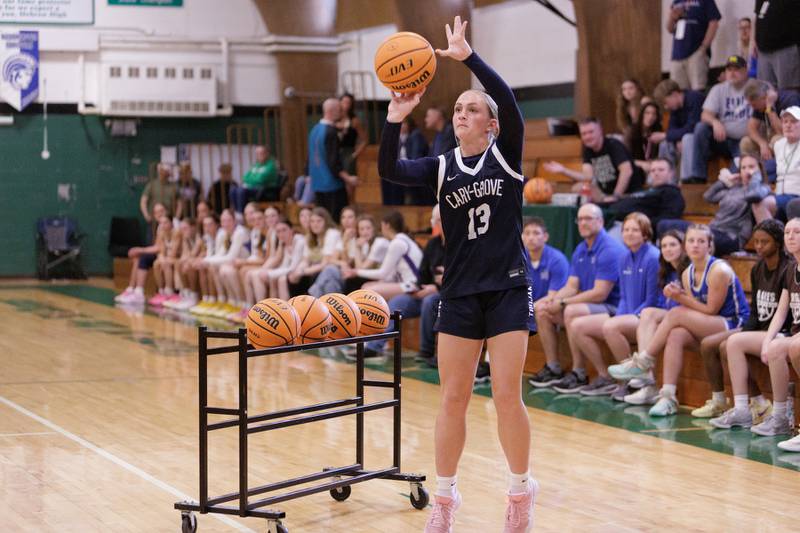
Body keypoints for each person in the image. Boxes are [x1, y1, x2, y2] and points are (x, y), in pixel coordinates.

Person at [377, 16, 538, 530]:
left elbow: (508, 101)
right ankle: (444, 500)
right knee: (452, 397)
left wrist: (469, 58)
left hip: (508, 286)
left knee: (507, 395)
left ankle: (520, 491)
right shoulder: (443, 166)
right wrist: (394, 118)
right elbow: (389, 170)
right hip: (461, 291)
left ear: (491, 124)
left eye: (472, 109)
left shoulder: (505, 155)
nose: (462, 114)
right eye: (457, 109)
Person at [609, 224, 749, 417]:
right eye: (691, 241)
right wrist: (681, 298)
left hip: (733, 323)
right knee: (676, 334)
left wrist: (679, 297)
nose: (695, 245)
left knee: (676, 314)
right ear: (685, 246)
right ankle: (667, 397)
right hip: (711, 323)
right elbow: (694, 308)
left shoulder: (719, 270)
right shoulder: (687, 273)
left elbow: (711, 310)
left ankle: (643, 361)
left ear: (709, 246)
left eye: (701, 241)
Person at [529, 204, 626, 391]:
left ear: (600, 221)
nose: (583, 223)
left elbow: (600, 294)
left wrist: (563, 302)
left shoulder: (609, 249)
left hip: (614, 307)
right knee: (542, 310)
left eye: (588, 218)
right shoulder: (581, 248)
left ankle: (581, 372)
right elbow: (572, 286)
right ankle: (553, 367)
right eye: (579, 219)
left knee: (571, 311)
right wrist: (552, 300)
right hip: (590, 306)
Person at [562, 213, 661, 396]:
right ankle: (605, 377)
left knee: (611, 326)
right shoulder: (624, 257)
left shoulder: (653, 257)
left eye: (635, 230)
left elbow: (651, 300)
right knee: (577, 325)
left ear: (645, 233)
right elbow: (623, 296)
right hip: (628, 315)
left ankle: (631, 381)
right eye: (626, 230)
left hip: (647, 317)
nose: (629, 233)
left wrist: (623, 318)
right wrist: (620, 316)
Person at [707, 219, 789, 428]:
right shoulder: (757, 268)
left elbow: (786, 313)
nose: (759, 246)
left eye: (765, 242)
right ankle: (754, 403)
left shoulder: (787, 269)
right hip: (761, 330)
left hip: (782, 332)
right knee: (718, 344)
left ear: (777, 242)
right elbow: (755, 312)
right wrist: (745, 332)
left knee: (731, 343)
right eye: (756, 242)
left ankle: (747, 407)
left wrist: (747, 337)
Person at [601, 229, 690, 404]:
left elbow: (663, 302)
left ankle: (642, 370)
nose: (668, 249)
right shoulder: (665, 270)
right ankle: (645, 381)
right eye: (664, 246)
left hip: (684, 317)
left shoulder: (687, 270)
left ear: (682, 247)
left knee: (647, 314)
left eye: (673, 245)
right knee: (645, 315)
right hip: (669, 315)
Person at [361, 206, 446, 365]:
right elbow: (422, 273)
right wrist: (420, 287)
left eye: (441, 220)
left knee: (430, 301)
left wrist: (437, 286)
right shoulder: (432, 244)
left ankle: (426, 351)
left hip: (443, 293)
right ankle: (374, 345)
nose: (439, 224)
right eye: (437, 221)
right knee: (397, 302)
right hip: (423, 290)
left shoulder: (458, 245)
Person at [658, 153, 773, 256]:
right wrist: (725, 182)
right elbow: (708, 196)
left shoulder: (763, 189)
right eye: (743, 167)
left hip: (731, 238)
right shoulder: (734, 189)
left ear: (759, 170)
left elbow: (753, 196)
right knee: (664, 225)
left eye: (751, 167)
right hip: (712, 230)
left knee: (695, 237)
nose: (747, 171)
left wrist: (755, 178)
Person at [683, 55, 752, 184]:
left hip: (744, 141)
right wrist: (715, 122)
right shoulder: (718, 89)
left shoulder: (753, 87)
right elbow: (705, 115)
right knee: (701, 127)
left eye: (736, 69)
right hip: (722, 139)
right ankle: (698, 176)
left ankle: (727, 181)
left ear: (745, 71)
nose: (732, 73)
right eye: (729, 70)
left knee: (730, 180)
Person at [544, 117, 645, 204]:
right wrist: (563, 170)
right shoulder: (588, 150)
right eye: (584, 134)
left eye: (591, 132)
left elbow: (627, 171)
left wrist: (616, 196)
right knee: (577, 188)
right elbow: (587, 177)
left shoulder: (613, 145)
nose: (587, 137)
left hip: (629, 195)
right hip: (606, 195)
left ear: (600, 131)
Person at [344, 211, 423, 302]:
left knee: (367, 292)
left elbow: (382, 273)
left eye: (368, 228)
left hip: (413, 284)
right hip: (403, 281)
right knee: (366, 286)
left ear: (386, 225)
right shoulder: (401, 239)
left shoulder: (396, 243)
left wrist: (356, 272)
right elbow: (391, 273)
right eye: (361, 229)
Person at [308, 99, 358, 221]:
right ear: (332, 111)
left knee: (322, 222)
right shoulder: (331, 132)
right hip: (332, 186)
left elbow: (310, 157)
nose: (342, 112)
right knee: (336, 222)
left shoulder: (314, 129)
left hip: (317, 185)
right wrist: (349, 178)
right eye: (340, 110)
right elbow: (334, 162)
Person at [115, 208, 171, 305]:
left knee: (146, 258)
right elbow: (158, 246)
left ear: (167, 211)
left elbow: (159, 248)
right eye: (156, 212)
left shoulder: (174, 227)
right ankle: (133, 290)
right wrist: (140, 250)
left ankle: (166, 293)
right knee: (139, 258)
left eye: (161, 211)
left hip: (170, 256)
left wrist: (141, 250)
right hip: (162, 254)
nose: (159, 214)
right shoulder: (160, 226)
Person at [610, 158, 685, 230]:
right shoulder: (644, 191)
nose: (656, 173)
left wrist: (640, 224)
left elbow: (668, 219)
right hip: (610, 219)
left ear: (671, 173)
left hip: (629, 228)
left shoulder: (672, 193)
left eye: (661, 170)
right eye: (652, 170)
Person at [523, 217, 569, 333]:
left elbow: (553, 296)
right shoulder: (519, 259)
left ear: (545, 237)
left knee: (541, 312)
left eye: (536, 233)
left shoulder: (557, 260)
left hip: (553, 307)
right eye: (527, 233)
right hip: (530, 307)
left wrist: (529, 308)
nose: (531, 238)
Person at [652, 79, 704, 180]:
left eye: (666, 102)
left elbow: (692, 127)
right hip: (684, 138)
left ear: (674, 94)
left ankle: (687, 180)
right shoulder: (675, 108)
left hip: (704, 140)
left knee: (687, 138)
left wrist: (666, 135)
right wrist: (677, 139)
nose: (666, 107)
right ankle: (666, 180)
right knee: (665, 144)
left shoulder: (695, 98)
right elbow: (672, 129)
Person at [247, 216, 306, 301]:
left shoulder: (299, 241)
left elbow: (292, 267)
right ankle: (266, 306)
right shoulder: (284, 243)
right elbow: (284, 265)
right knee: (271, 278)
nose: (281, 234)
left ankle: (284, 308)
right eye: (278, 231)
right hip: (291, 273)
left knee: (281, 279)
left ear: (291, 230)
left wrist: (269, 274)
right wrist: (267, 271)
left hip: (303, 274)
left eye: (284, 230)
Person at [667, 0, 720, 91]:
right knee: (677, 91)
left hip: (696, 51)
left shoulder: (706, 1)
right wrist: (672, 17)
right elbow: (670, 29)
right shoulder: (677, 2)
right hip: (677, 54)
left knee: (698, 90)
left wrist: (703, 48)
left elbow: (713, 23)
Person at [287, 207, 341, 296]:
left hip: (334, 270)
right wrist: (298, 271)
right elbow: (305, 260)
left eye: (319, 221)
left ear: (326, 222)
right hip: (317, 270)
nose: (315, 224)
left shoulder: (332, 233)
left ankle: (312, 296)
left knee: (328, 278)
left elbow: (325, 263)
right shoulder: (309, 237)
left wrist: (303, 272)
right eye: (312, 221)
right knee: (292, 277)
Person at [742, 79, 800, 160]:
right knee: (746, 142)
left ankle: (777, 167)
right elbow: (751, 128)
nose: (753, 108)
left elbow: (783, 132)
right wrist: (762, 143)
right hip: (773, 136)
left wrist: (769, 107)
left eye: (754, 105)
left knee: (776, 140)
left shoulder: (789, 99)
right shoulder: (759, 105)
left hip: (793, 137)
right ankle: (756, 167)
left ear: (764, 97)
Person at [754, 0, 800, 91]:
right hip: (763, 50)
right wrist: (754, 41)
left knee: (788, 91)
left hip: (785, 48)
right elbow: (757, 17)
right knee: (765, 91)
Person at [229, 146, 279, 214]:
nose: (259, 155)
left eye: (261, 153)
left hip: (265, 190)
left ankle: (241, 213)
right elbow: (245, 177)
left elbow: (261, 180)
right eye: (257, 153)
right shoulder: (256, 165)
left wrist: (252, 179)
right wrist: (255, 178)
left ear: (267, 153)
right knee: (233, 189)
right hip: (252, 188)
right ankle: (236, 212)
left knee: (241, 191)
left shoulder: (271, 165)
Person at [338, 93, 368, 203]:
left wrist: (355, 154)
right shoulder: (335, 119)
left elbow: (364, 140)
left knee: (349, 187)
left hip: (348, 153)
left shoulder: (354, 120)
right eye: (343, 102)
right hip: (335, 153)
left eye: (348, 102)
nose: (345, 105)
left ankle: (350, 207)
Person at [772, 107, 800, 219]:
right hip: (779, 195)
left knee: (764, 203)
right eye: (785, 122)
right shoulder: (778, 145)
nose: (788, 125)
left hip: (796, 195)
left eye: (793, 121)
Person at [625, 101, 665, 173]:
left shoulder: (657, 132)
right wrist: (642, 164)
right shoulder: (632, 131)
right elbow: (626, 159)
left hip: (652, 168)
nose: (650, 117)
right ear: (641, 114)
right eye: (647, 113)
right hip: (635, 168)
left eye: (654, 114)